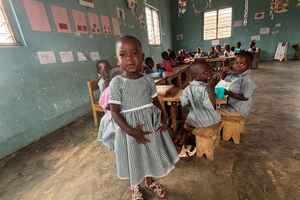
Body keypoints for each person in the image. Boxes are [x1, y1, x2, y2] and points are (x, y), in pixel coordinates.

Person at [109, 35, 179, 199]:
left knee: (152, 153)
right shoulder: (117, 82)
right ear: (117, 60)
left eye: (134, 53)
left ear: (141, 56)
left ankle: (150, 181)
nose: (129, 58)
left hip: (151, 126)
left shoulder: (148, 79)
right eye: (123, 54)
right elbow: (115, 112)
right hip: (130, 129)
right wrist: (132, 132)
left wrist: (163, 118)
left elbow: (156, 102)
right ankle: (135, 186)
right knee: (135, 156)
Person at [175, 61, 221, 154]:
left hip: (194, 118)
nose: (210, 73)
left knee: (186, 124)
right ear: (195, 77)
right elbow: (211, 106)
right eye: (205, 72)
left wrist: (194, 100)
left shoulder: (188, 88)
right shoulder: (207, 88)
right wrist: (212, 88)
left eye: (210, 70)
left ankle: (182, 138)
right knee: (218, 113)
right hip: (208, 120)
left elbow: (185, 102)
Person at [219, 52, 257, 117]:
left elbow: (245, 98)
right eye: (236, 63)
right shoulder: (236, 75)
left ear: (249, 66)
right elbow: (224, 79)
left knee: (212, 112)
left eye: (242, 64)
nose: (237, 66)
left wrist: (228, 93)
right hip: (231, 105)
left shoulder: (247, 80)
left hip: (238, 110)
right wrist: (224, 72)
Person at [97, 67, 124, 150]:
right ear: (109, 80)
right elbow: (105, 105)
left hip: (114, 114)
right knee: (118, 135)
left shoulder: (112, 89)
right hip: (113, 116)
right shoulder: (111, 90)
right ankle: (120, 148)